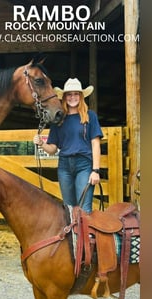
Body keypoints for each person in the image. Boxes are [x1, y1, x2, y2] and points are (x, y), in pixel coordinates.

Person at [33, 78, 103, 213]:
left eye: (76, 94)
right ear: (64, 97)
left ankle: (85, 235)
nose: (73, 97)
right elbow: (53, 149)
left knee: (84, 209)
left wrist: (95, 171)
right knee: (68, 208)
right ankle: (72, 235)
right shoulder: (59, 119)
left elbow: (95, 144)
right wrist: (42, 144)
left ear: (81, 96)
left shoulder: (90, 116)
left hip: (84, 165)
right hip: (64, 166)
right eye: (69, 94)